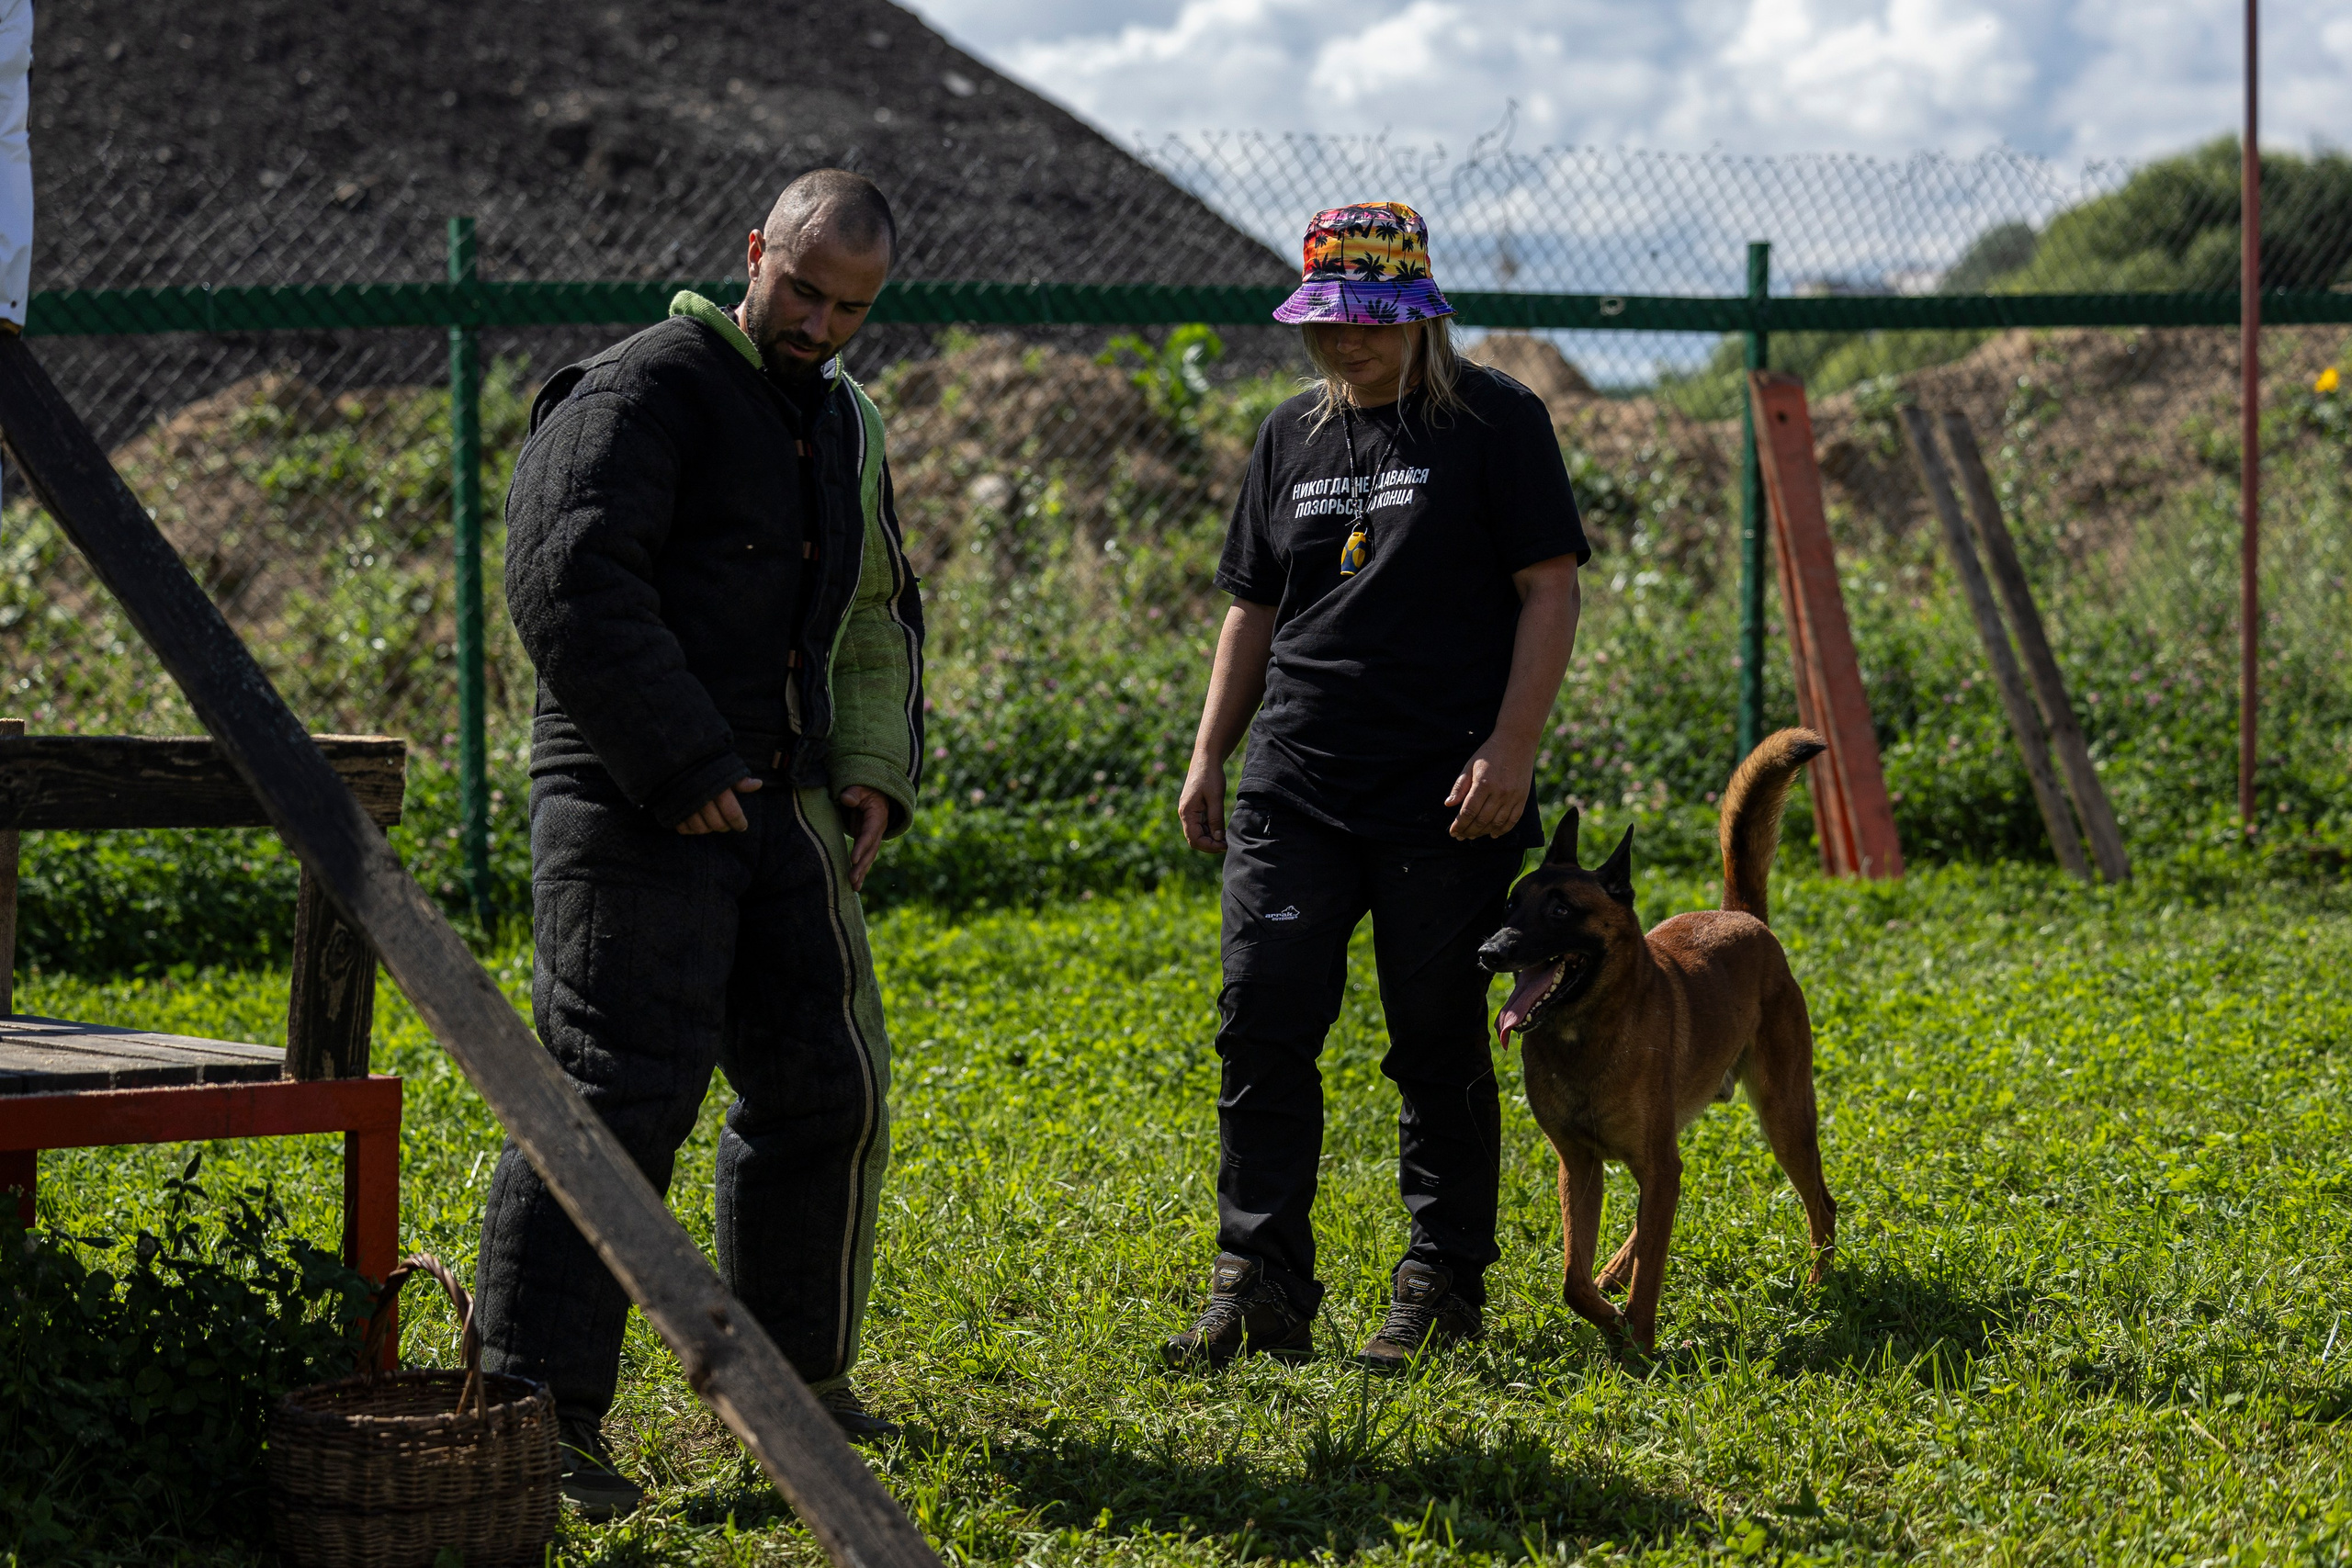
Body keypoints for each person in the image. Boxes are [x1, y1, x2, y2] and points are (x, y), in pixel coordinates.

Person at [477, 169, 925, 1518]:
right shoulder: (640, 387)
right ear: (754, 253)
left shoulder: (845, 422)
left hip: (780, 799)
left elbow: (872, 608)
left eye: (852, 307)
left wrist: (871, 771)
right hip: (632, 793)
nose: (822, 326)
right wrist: (674, 759)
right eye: (804, 292)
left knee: (823, 1085)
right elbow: (565, 579)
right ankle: (536, 1411)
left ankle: (790, 1383)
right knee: (616, 1091)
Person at [1164, 201, 1587, 1372]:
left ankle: (1441, 1282)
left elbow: (1547, 590)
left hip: (1445, 791)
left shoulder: (1495, 422)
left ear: (1418, 316)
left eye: (1371, 323)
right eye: (1328, 326)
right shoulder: (1286, 436)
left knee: (1435, 1034)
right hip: (1294, 780)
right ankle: (1258, 1284)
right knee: (1261, 1025)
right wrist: (1210, 753)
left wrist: (1509, 750)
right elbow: (1253, 609)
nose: (1347, 345)